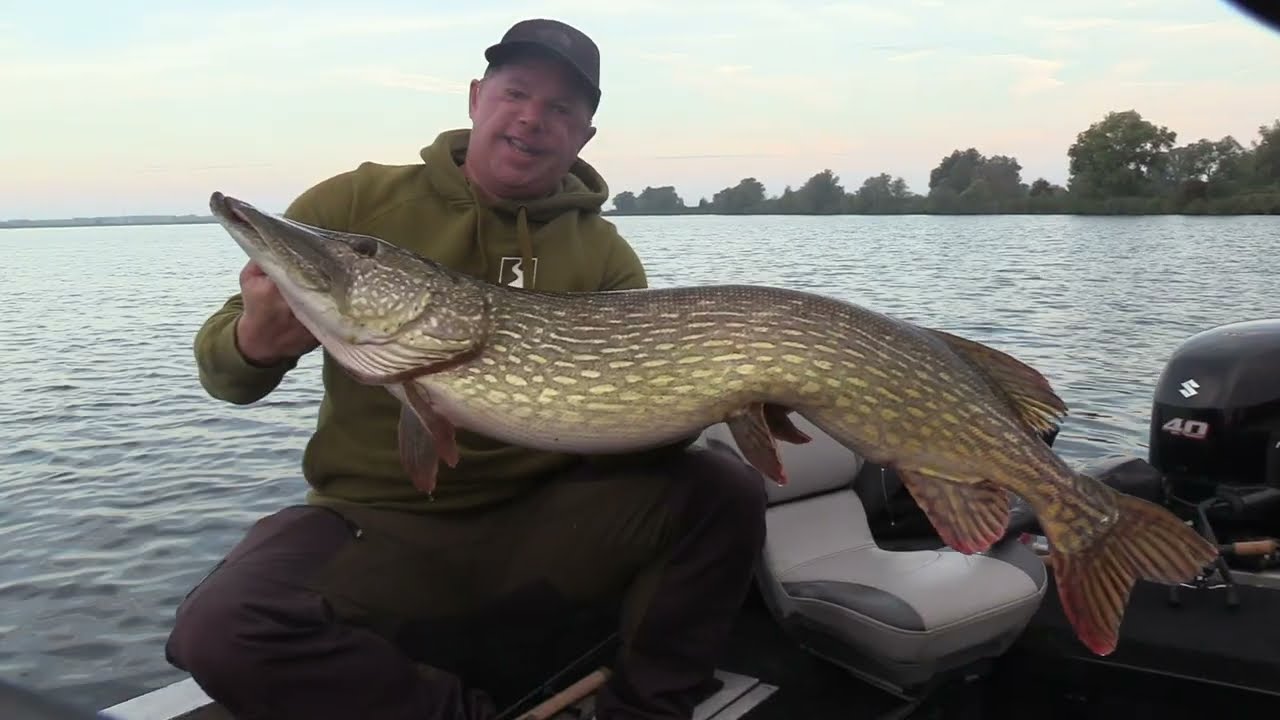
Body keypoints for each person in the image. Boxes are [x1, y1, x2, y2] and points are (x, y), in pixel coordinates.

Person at [164, 17, 768, 720]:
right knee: (220, 631)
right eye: (517, 92)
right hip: (376, 517)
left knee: (720, 488)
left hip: (550, 520)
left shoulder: (604, 254)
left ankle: (647, 707)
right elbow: (227, 378)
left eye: (562, 108)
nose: (532, 118)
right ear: (478, 98)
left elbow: (637, 429)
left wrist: (716, 391)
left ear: (583, 137)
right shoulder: (354, 203)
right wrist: (255, 341)